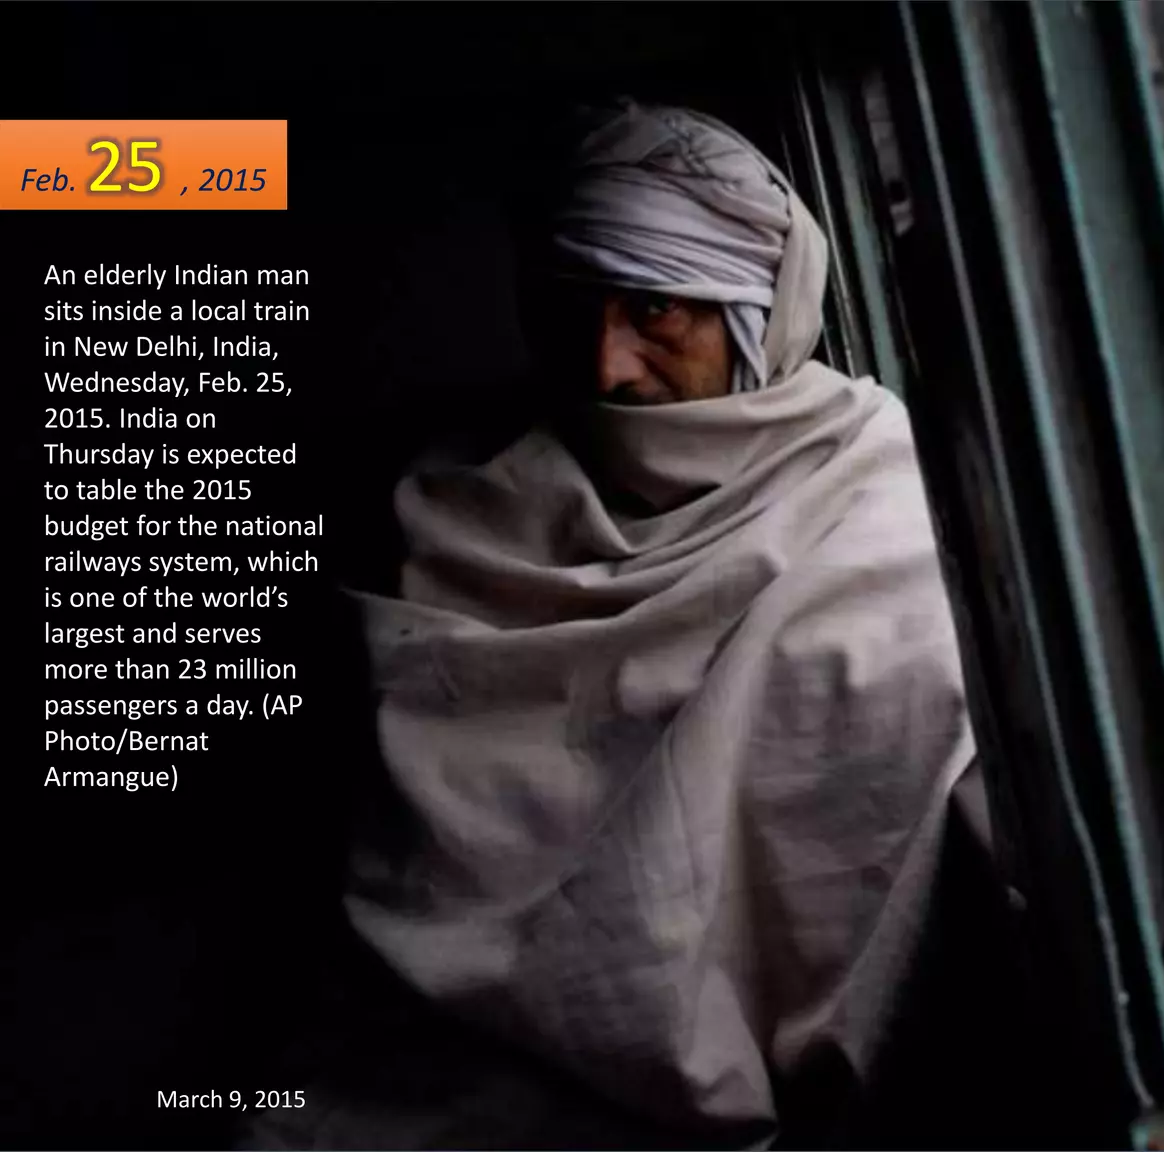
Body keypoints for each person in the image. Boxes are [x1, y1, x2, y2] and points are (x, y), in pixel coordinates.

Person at [322, 99, 983, 1147]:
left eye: (654, 311)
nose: (606, 368)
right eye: (575, 311)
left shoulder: (875, 508)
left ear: (756, 318)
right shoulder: (460, 516)